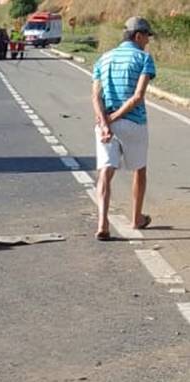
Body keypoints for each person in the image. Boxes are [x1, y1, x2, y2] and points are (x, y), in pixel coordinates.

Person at [92, 16, 157, 240]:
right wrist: (116, 117)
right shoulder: (144, 58)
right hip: (134, 123)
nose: (147, 41)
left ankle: (102, 222)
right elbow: (138, 97)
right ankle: (137, 217)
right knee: (139, 170)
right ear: (137, 36)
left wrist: (105, 120)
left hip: (105, 125)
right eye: (147, 36)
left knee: (105, 173)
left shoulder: (103, 58)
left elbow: (95, 96)